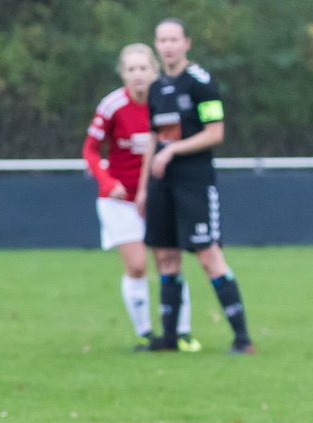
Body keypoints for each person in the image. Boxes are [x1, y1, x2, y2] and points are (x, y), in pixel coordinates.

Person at [137, 17, 254, 354]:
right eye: (162, 40)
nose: (168, 46)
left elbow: (216, 132)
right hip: (162, 184)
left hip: (194, 183)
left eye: (174, 39)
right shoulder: (156, 88)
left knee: (208, 257)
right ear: (157, 46)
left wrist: (173, 149)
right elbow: (152, 139)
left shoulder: (201, 83)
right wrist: (144, 187)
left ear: (186, 43)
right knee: (166, 259)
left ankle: (242, 338)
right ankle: (169, 338)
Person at [83, 43, 199, 352]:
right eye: (131, 69)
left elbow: (168, 146)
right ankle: (145, 332)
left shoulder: (165, 103)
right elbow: (90, 150)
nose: (138, 75)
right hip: (120, 201)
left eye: (143, 68)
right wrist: (107, 182)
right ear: (122, 73)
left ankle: (180, 331)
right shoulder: (112, 106)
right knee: (136, 265)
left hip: (157, 196)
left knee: (169, 263)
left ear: (154, 70)